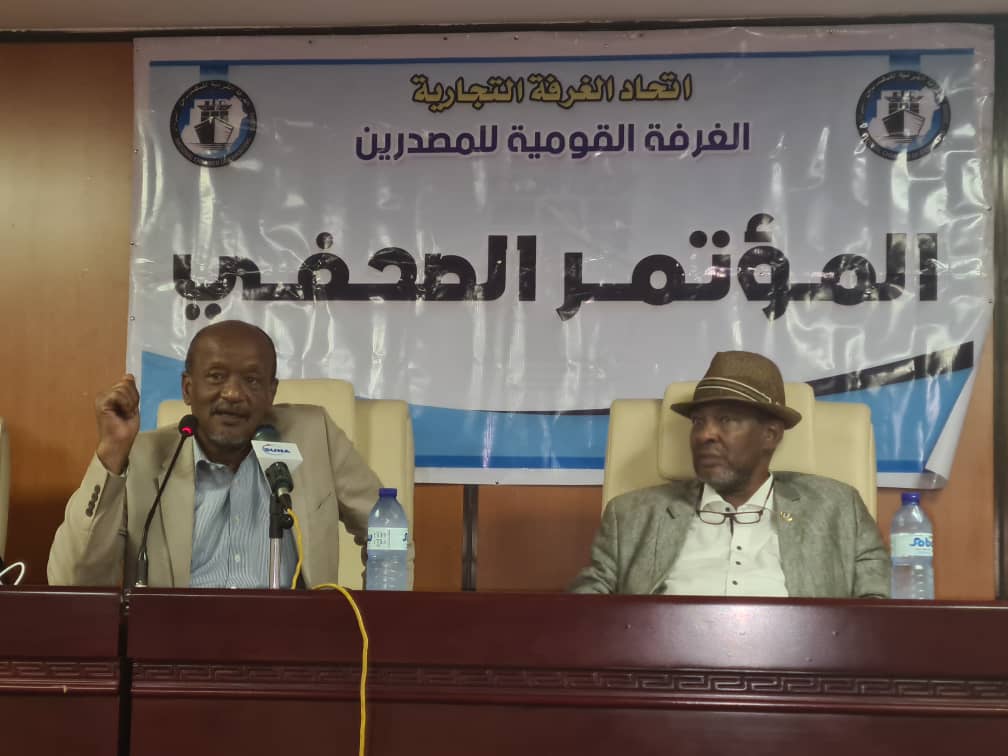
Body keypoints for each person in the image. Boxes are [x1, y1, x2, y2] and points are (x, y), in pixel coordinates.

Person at [48, 320, 393, 589]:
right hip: (174, 644)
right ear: (188, 388)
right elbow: (71, 580)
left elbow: (389, 531)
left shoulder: (315, 436)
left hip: (291, 643)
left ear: (271, 392)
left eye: (252, 381)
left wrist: (372, 622)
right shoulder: (141, 457)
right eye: (216, 377)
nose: (232, 393)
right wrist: (112, 452)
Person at [570, 350, 889, 598]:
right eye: (698, 422)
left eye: (726, 420)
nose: (705, 435)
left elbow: (877, 609)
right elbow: (585, 612)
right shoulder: (631, 515)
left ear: (770, 435)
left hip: (801, 661)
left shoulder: (838, 508)